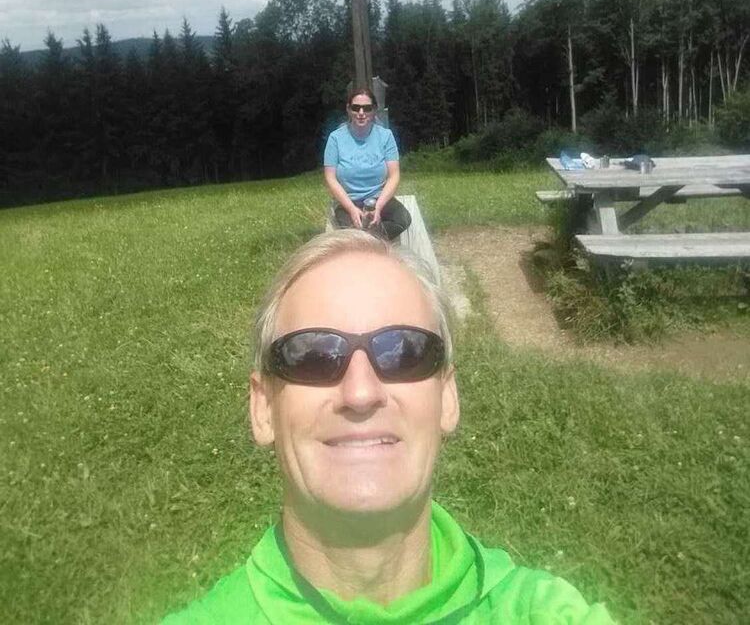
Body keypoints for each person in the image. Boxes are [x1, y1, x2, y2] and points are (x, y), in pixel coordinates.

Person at [162, 230, 616, 623]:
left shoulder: (542, 612)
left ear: (447, 397)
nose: (361, 393)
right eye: (314, 355)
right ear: (263, 408)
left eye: (404, 352)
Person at [323, 86, 411, 241]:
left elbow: (394, 175)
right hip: (348, 200)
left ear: (374, 110)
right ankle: (371, 240)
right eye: (356, 108)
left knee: (403, 219)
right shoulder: (335, 138)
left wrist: (379, 206)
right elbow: (330, 178)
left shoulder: (386, 136)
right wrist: (351, 209)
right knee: (351, 229)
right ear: (348, 109)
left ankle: (367, 240)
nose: (361, 113)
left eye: (367, 108)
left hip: (378, 197)